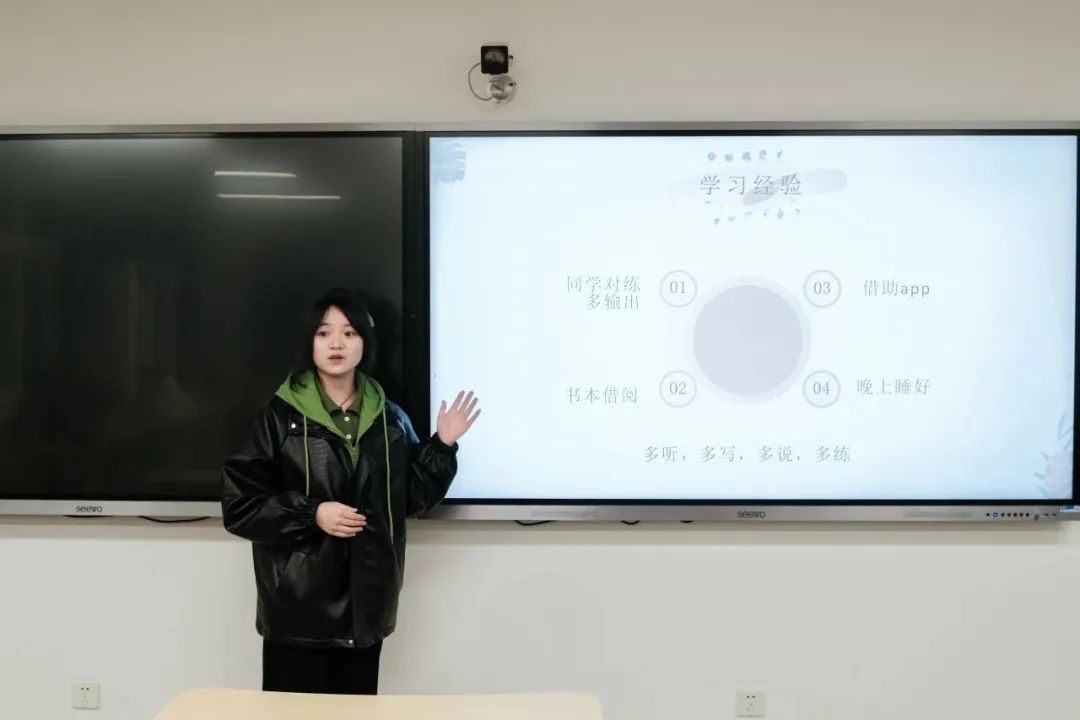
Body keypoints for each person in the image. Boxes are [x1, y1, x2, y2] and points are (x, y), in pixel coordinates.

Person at [221, 288, 480, 695]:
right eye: (324, 333)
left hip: (366, 610)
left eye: (349, 333)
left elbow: (409, 498)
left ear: (365, 342)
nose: (337, 344)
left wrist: (442, 445)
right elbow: (240, 506)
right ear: (310, 343)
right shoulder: (278, 418)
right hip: (297, 614)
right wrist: (312, 514)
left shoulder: (389, 418)